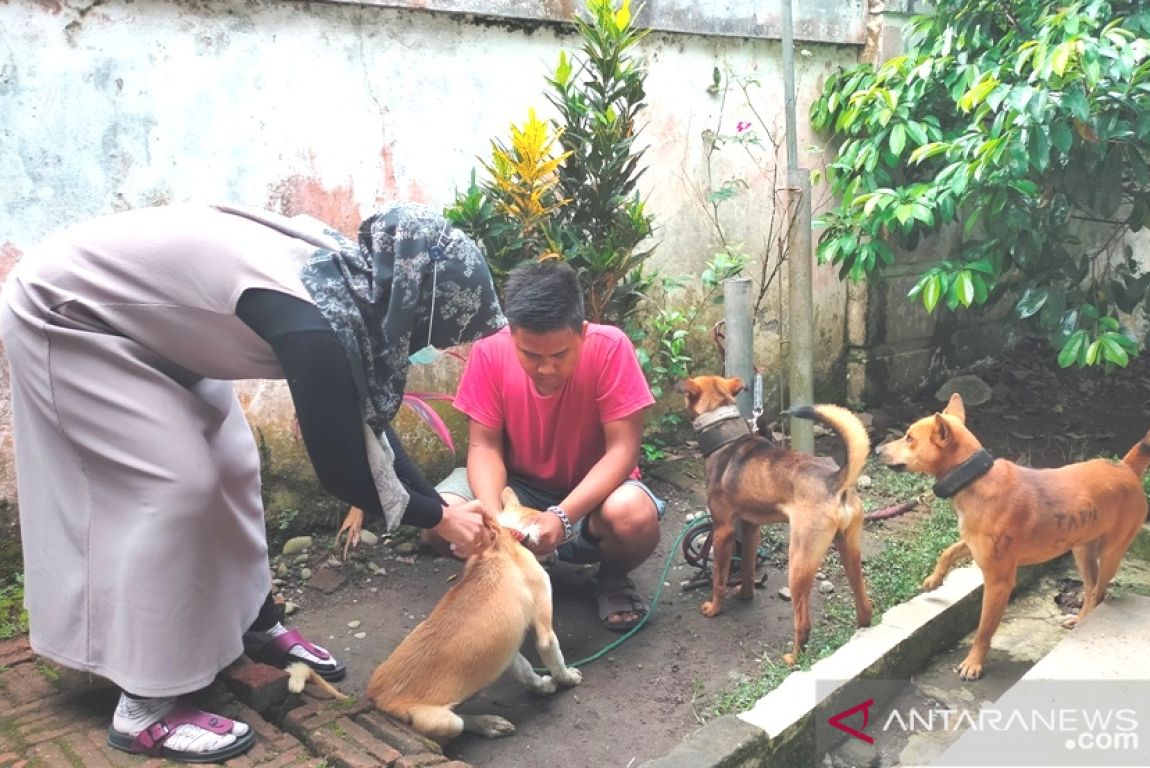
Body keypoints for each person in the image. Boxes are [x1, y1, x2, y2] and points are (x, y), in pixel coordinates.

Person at [0, 201, 505, 763]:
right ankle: (144, 709)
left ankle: (254, 623)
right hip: (69, 314)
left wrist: (437, 505)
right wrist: (438, 517)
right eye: (437, 332)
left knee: (235, 462)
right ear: (413, 308)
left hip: (157, 328)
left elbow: (370, 432)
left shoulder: (355, 287)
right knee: (176, 490)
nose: (433, 347)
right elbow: (342, 466)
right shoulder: (313, 322)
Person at [433, 260, 664, 631]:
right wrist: (496, 520)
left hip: (593, 494)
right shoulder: (489, 353)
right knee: (442, 514)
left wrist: (562, 516)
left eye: (559, 355)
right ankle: (508, 576)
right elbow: (483, 447)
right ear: (511, 336)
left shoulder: (610, 348)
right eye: (531, 356)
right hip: (517, 489)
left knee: (634, 516)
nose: (546, 370)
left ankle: (611, 577)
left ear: (582, 332)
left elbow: (623, 450)